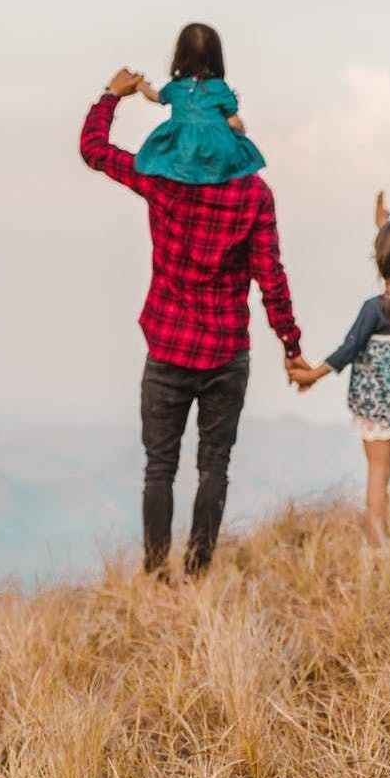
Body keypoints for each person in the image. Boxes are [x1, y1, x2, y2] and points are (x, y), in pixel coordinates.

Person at [79, 67, 306, 581]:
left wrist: (111, 97)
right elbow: (270, 275)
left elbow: (94, 149)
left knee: (159, 467)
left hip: (167, 346)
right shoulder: (253, 194)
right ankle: (199, 572)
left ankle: (157, 575)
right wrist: (291, 344)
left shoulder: (158, 178)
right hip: (227, 352)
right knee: (214, 467)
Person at [288, 194, 390, 544]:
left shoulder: (374, 309)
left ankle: (379, 541)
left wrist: (311, 375)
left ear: (382, 261)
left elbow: (348, 350)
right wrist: (383, 225)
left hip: (377, 402)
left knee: (378, 472)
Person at [135, 23, 265, 184]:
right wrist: (240, 134)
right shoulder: (219, 87)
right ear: (216, 57)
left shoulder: (176, 87)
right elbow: (233, 121)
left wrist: (142, 87)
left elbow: (156, 97)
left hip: (183, 147)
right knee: (232, 160)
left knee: (167, 160)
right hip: (217, 147)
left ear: (180, 55)